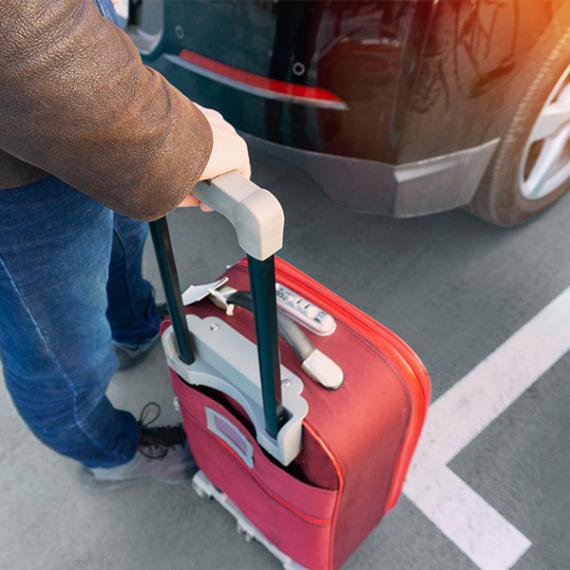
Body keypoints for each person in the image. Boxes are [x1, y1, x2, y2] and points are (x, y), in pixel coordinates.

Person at [0, 0, 250, 485]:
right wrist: (176, 144)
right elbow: (20, 35)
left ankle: (133, 332)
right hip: (15, 176)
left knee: (122, 240)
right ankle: (110, 453)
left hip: (78, 66)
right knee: (62, 350)